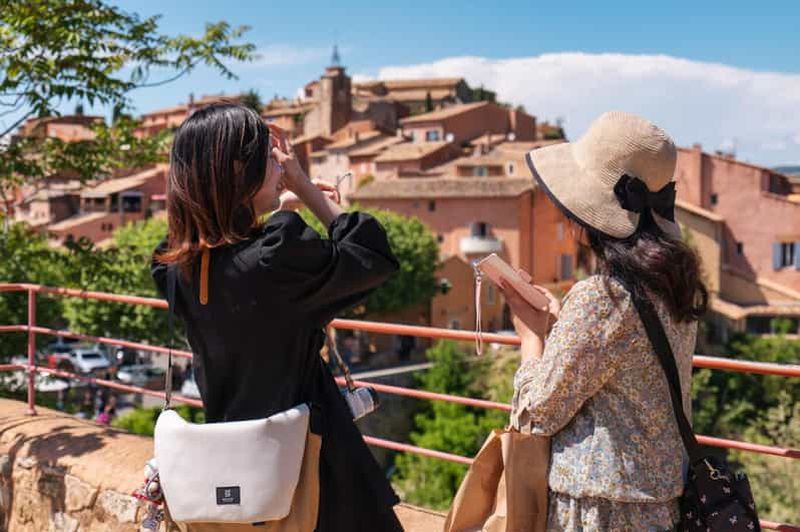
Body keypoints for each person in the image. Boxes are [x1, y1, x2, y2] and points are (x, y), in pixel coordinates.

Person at [150, 103, 402, 531]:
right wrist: (305, 193)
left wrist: (279, 209)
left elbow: (229, 258)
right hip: (315, 472)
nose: (279, 165)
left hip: (237, 475)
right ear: (236, 170)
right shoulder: (277, 258)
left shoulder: (173, 268)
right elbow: (372, 256)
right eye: (269, 156)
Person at [498, 111, 707, 531]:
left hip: (602, 511)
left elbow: (537, 413)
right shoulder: (673, 283)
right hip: (664, 500)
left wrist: (531, 337)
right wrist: (565, 323)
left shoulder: (602, 297)